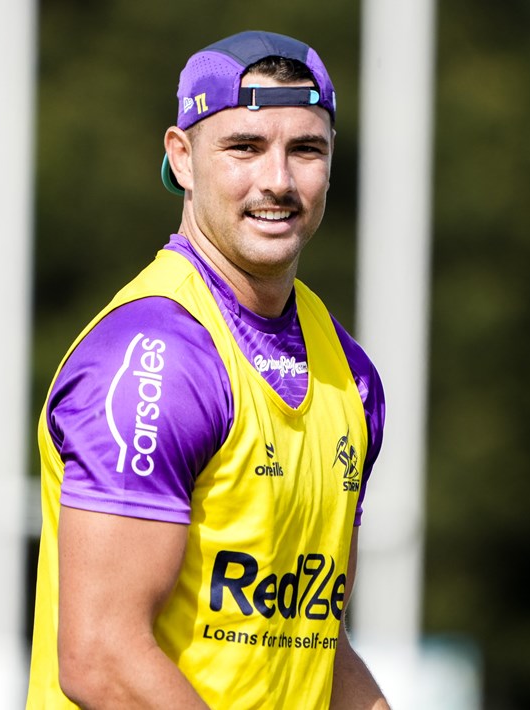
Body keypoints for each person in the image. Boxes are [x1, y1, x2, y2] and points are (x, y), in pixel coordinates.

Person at [26, 30, 389, 709]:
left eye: (305, 149)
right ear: (183, 158)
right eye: (244, 148)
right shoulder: (154, 357)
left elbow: (309, 639)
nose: (277, 181)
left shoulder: (351, 375)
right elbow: (101, 657)